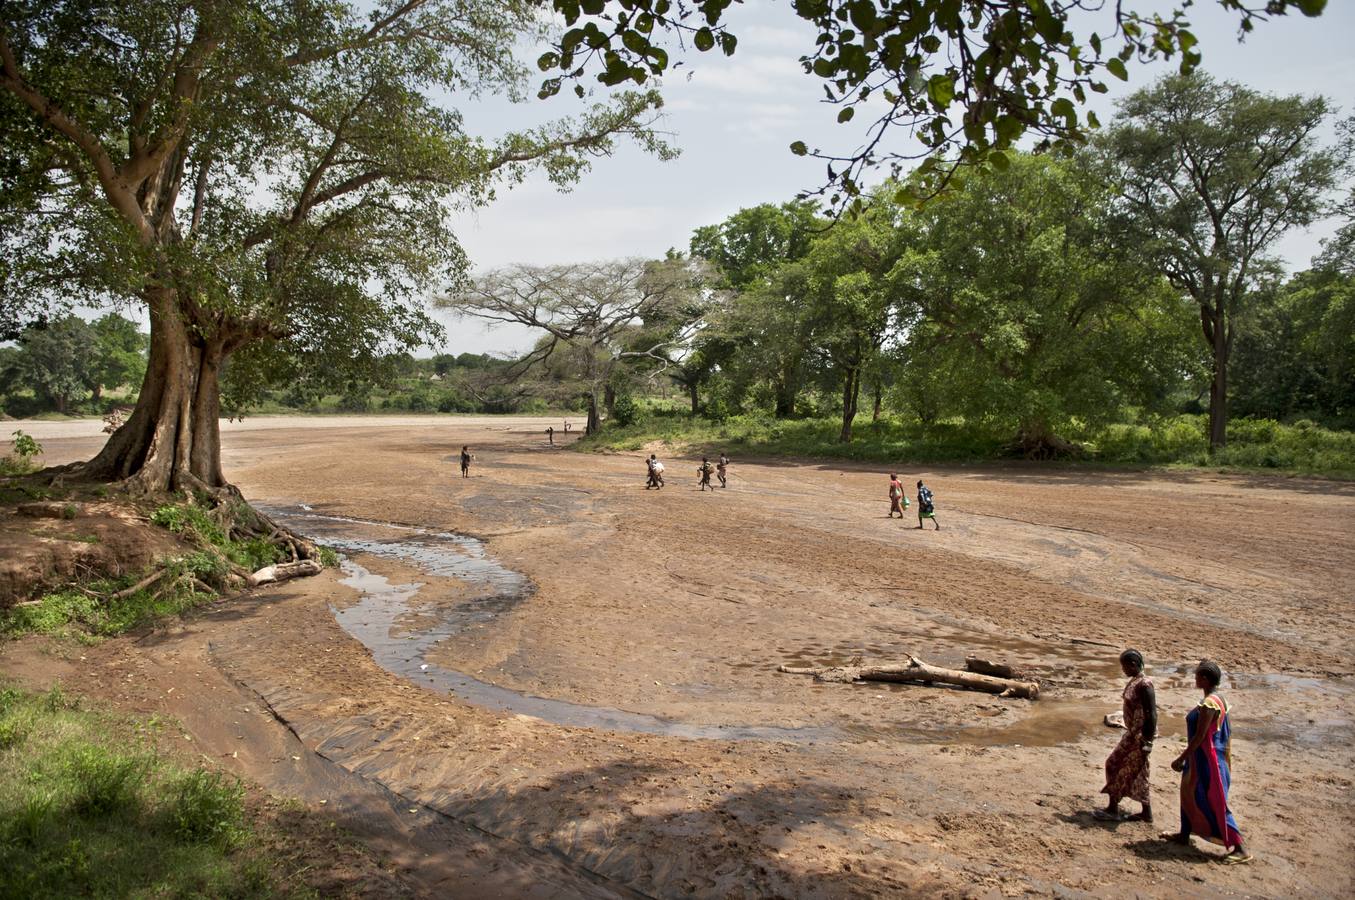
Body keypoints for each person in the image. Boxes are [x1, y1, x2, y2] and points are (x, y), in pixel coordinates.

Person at [1162, 660, 1251, 864]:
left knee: (1214, 801)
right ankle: (1184, 834)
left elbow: (1200, 737)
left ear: (1206, 679)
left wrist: (1181, 758)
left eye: (1198, 676)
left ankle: (1240, 847)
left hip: (1207, 761)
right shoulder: (1219, 699)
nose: (1195, 679)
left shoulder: (1210, 704)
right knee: (1187, 793)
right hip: (1203, 758)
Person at [1096, 649, 1157, 823]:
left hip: (1140, 736)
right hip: (1133, 733)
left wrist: (1147, 741)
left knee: (1115, 764)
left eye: (1124, 666)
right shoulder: (1136, 682)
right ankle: (1146, 812)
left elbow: (1151, 714)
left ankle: (1113, 808)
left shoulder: (1145, 685)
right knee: (1140, 772)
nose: (1123, 670)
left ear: (1133, 665)